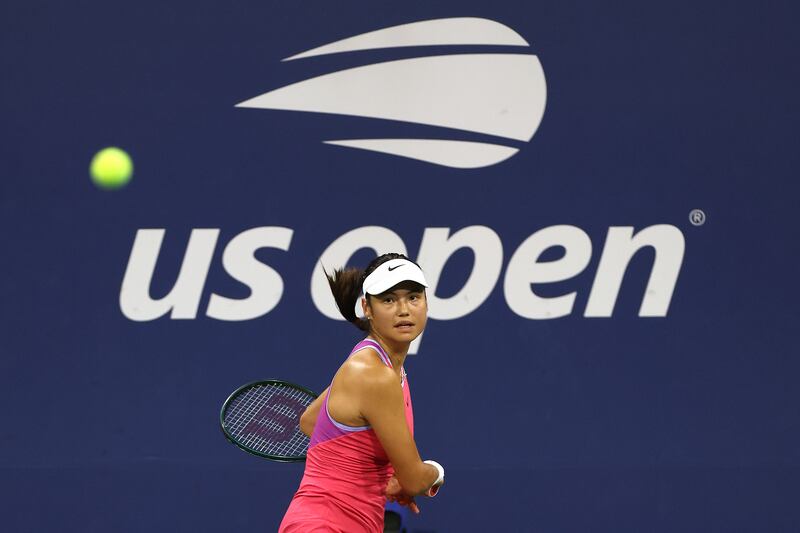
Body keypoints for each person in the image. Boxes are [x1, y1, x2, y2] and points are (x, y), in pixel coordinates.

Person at [279, 253, 445, 533]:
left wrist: (385, 476)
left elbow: (310, 420)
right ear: (367, 307)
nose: (403, 309)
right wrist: (436, 472)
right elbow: (417, 480)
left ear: (426, 302)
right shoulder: (374, 375)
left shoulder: (379, 366)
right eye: (389, 300)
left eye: (413, 297)